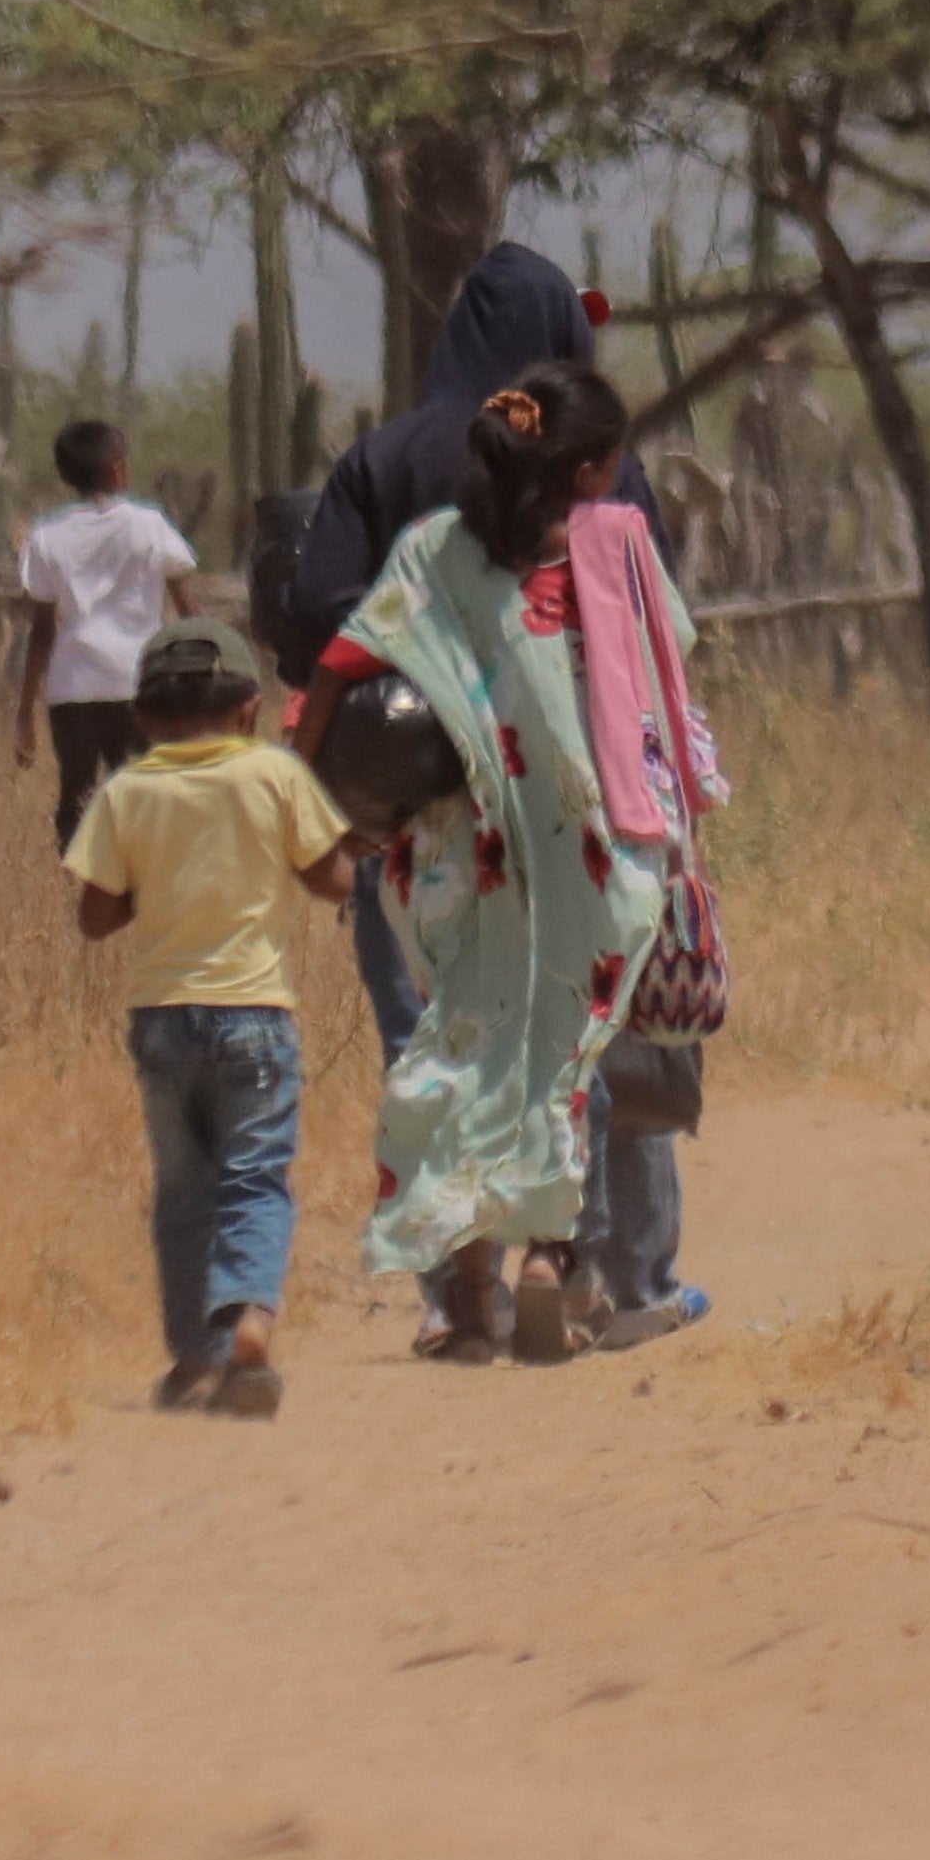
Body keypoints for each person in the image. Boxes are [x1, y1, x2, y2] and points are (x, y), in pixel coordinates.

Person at [277, 242, 696, 1338]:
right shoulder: (603, 490)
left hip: (425, 817)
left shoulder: (396, 485)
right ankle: (587, 1267)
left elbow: (316, 623)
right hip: (578, 813)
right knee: (573, 1039)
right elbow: (655, 649)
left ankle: (456, 1294)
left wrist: (332, 777)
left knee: (443, 1038)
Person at [66, 619, 358, 1418]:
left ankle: (196, 1363)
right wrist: (360, 835)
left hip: (162, 1021)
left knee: (183, 1190)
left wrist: (150, 885)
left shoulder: (127, 790)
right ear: (251, 709)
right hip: (257, 1016)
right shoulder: (273, 774)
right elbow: (332, 881)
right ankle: (249, 1320)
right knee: (255, 1180)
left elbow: (95, 916)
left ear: (143, 717)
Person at [15, 417, 200, 848]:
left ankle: (75, 890)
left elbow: (42, 632)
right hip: (140, 681)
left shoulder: (46, 537)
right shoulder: (148, 525)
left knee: (76, 794)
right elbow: (188, 607)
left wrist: (25, 712)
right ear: (118, 470)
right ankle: (140, 890)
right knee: (144, 796)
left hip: (73, 689)